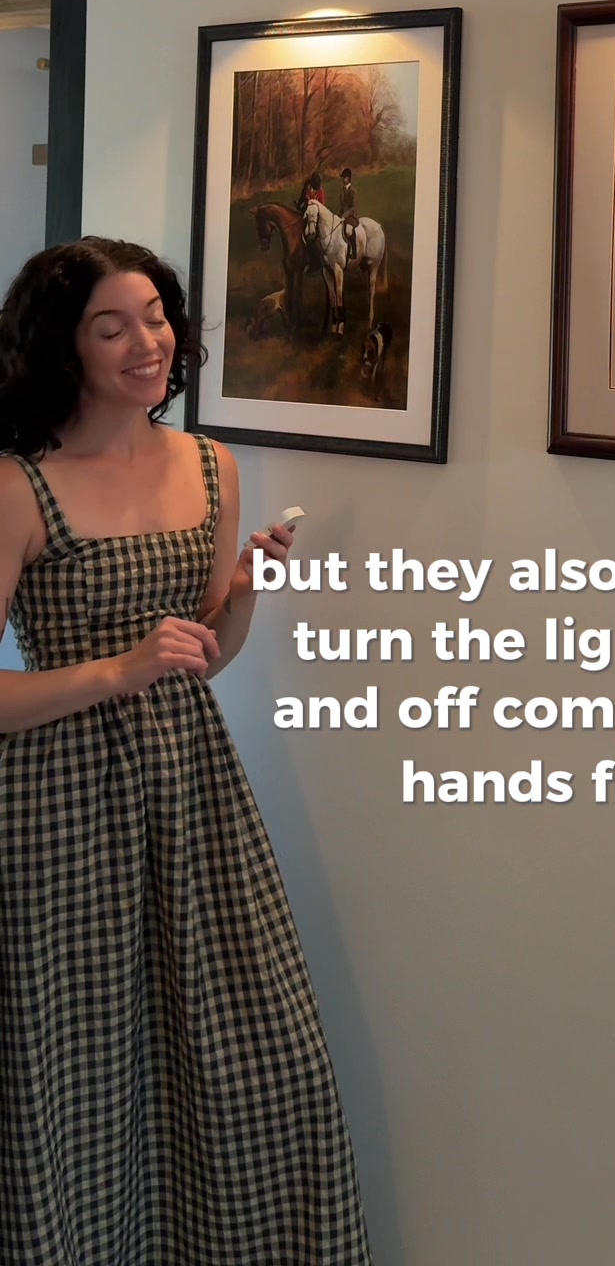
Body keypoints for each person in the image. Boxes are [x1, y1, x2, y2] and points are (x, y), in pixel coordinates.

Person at [0, 237, 374, 1266]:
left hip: (190, 794)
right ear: (63, 346)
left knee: (261, 1061)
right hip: (54, 812)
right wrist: (115, 672)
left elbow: (203, 657)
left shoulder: (211, 467)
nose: (147, 343)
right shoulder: (19, 485)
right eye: (111, 326)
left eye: (156, 317)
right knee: (79, 1082)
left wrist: (241, 593)